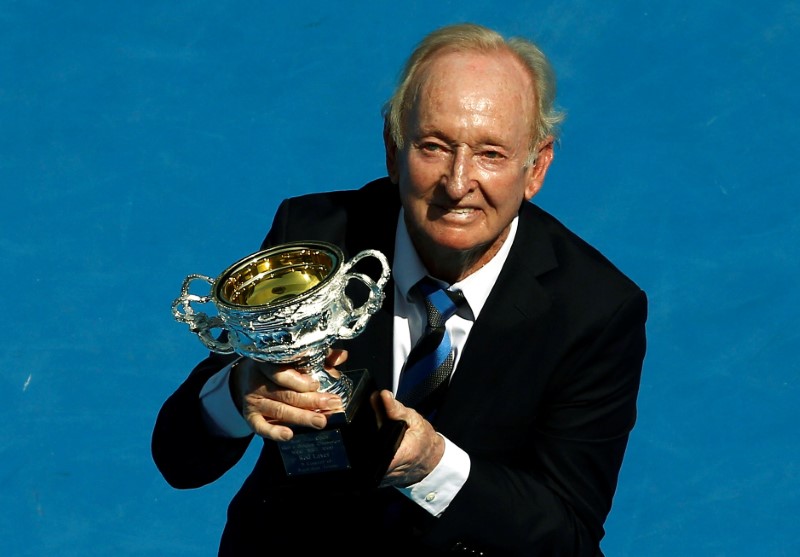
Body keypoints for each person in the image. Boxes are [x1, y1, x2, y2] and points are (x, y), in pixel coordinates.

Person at [152, 22, 648, 556]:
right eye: (434, 147)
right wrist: (237, 390)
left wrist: (435, 466)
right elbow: (179, 459)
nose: (458, 184)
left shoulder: (594, 310)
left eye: (491, 154)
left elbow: (568, 537)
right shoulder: (315, 238)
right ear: (393, 148)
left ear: (537, 166)